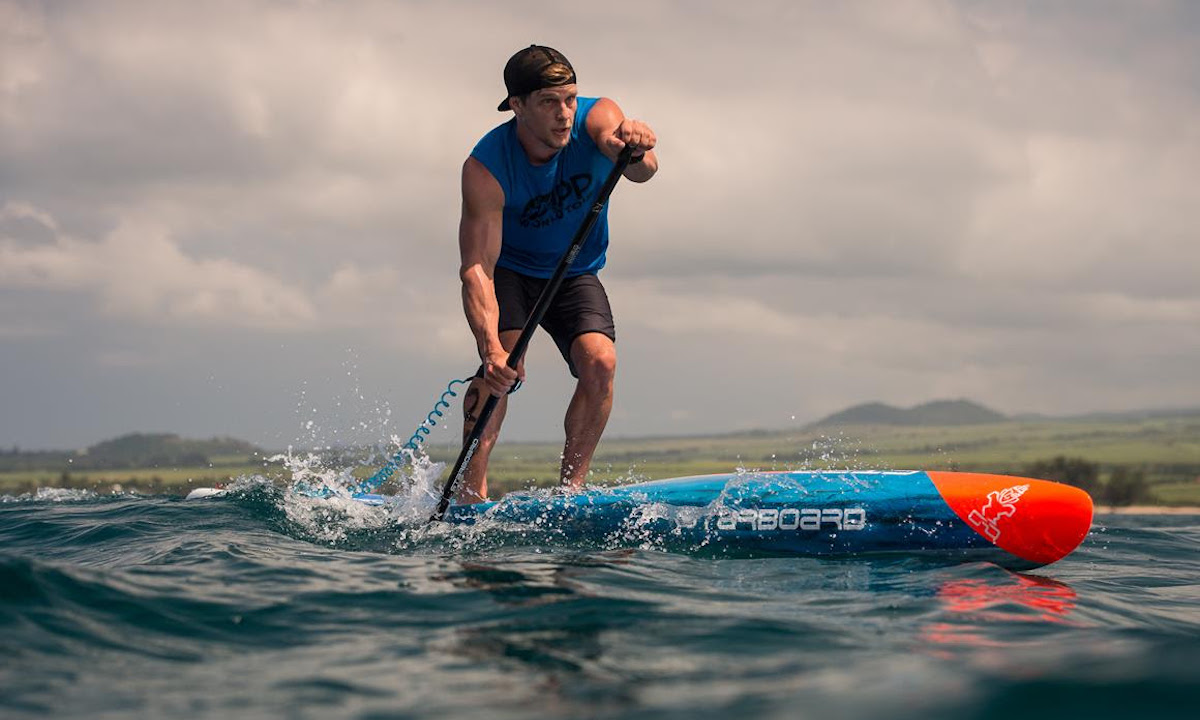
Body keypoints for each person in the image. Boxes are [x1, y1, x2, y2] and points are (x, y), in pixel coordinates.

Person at [456, 44, 658, 502]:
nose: (564, 113)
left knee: (600, 362)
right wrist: (489, 348)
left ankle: (570, 492)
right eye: (549, 102)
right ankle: (471, 491)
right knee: (504, 365)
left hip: (574, 271)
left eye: (569, 98)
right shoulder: (486, 167)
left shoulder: (596, 119)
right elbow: (476, 268)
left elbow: (639, 168)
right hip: (510, 271)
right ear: (517, 105)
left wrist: (636, 147)